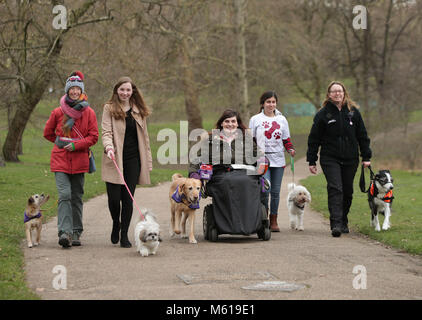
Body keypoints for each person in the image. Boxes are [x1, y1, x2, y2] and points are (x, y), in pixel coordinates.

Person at [306, 81, 371, 237]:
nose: (337, 94)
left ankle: (343, 220)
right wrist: (312, 160)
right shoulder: (323, 114)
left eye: (340, 91)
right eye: (334, 91)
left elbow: (362, 135)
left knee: (347, 191)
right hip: (330, 158)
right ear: (329, 94)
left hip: (351, 158)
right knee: (336, 188)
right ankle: (335, 223)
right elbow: (314, 139)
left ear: (344, 93)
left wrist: (366, 156)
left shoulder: (353, 112)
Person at [44, 71, 99, 248]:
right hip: (60, 160)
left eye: (77, 89)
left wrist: (76, 145)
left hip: (80, 159)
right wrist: (61, 143)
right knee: (65, 195)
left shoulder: (89, 112)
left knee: (76, 196)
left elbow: (93, 137)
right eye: (72, 89)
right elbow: (48, 133)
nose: (74, 92)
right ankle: (64, 233)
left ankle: (76, 232)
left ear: (81, 91)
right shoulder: (57, 112)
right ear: (67, 91)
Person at [189, 109, 265, 235]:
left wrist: (263, 161)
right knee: (228, 182)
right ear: (221, 123)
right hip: (221, 174)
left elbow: (259, 155)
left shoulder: (246, 138)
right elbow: (196, 159)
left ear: (238, 123)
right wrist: (194, 174)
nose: (230, 124)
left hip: (245, 173)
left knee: (247, 182)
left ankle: (252, 223)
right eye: (227, 121)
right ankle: (228, 225)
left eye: (233, 121)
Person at [101, 76, 153, 248]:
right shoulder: (109, 108)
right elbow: (106, 132)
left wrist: (148, 162)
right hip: (114, 157)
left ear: (133, 91)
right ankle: (116, 223)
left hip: (133, 160)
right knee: (114, 199)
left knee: (128, 199)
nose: (125, 93)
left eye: (128, 90)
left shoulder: (139, 110)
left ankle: (124, 235)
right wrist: (108, 147)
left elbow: (145, 138)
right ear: (117, 90)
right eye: (122, 89)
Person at [249, 91, 296, 232]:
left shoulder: (282, 120)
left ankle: (273, 220)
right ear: (263, 103)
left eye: (273, 102)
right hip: (262, 160)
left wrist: (290, 149)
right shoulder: (255, 119)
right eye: (268, 102)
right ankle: (263, 218)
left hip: (278, 160)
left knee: (275, 192)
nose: (271, 104)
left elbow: (286, 139)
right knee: (265, 190)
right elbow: (250, 140)